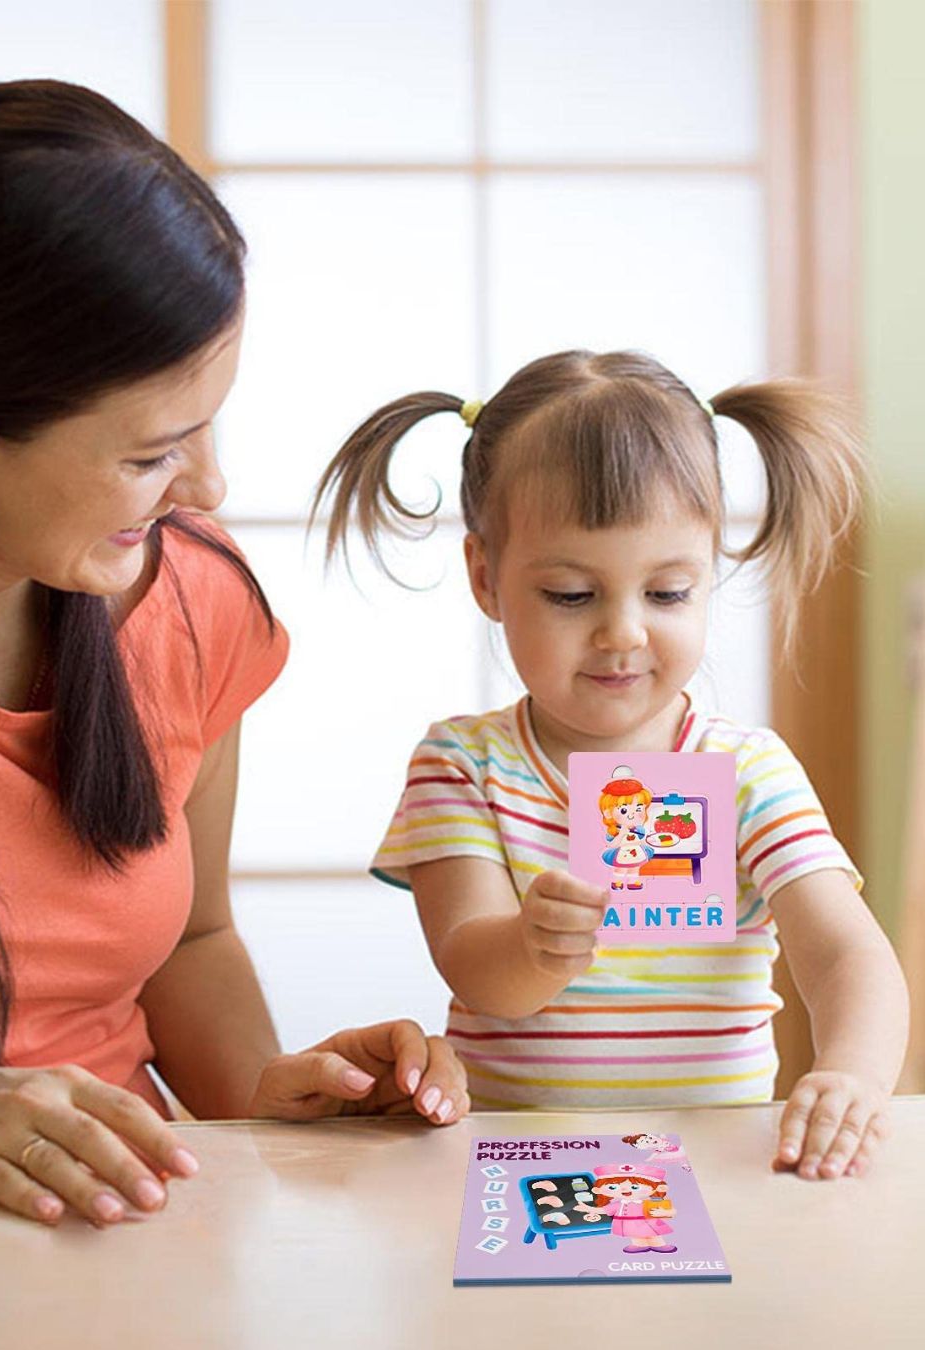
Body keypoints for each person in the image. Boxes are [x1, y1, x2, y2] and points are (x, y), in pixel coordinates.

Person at [0, 80, 468, 1230]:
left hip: (130, 1236)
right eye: (152, 454)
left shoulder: (190, 601)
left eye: (208, 427)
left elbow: (192, 937)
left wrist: (270, 1099)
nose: (209, 489)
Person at [313, 349, 909, 1180]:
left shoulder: (746, 768)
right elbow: (476, 971)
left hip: (717, 1169)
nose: (624, 633)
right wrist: (533, 948)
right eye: (570, 595)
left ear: (711, 575)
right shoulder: (464, 764)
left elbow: (847, 954)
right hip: (521, 1171)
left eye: (667, 594)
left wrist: (852, 1074)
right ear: (486, 577)